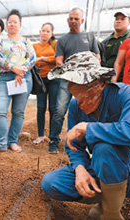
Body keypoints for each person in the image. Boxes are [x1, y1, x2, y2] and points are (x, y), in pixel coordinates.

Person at [41, 51, 130, 220]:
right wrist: (80, 169)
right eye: (72, 88)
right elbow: (74, 146)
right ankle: (107, 199)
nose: (78, 101)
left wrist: (89, 127)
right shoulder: (75, 106)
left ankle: (111, 214)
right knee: (52, 183)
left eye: (82, 89)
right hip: (103, 168)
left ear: (100, 82)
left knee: (104, 147)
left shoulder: (129, 95)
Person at [0, 9, 36, 153]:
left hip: (23, 78)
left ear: (20, 25)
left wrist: (21, 71)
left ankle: (12, 141)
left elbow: (32, 59)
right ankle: (0, 143)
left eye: (15, 22)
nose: (12, 24)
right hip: (5, 78)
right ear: (7, 24)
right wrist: (14, 69)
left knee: (18, 112)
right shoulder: (0, 39)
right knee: (0, 110)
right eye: (10, 22)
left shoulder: (26, 41)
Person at [50, 7, 100, 153]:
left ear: (82, 20)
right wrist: (70, 70)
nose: (73, 21)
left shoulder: (90, 37)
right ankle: (53, 140)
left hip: (86, 82)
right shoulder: (63, 40)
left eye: (76, 18)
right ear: (67, 20)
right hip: (67, 81)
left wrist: (86, 71)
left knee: (88, 109)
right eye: (71, 18)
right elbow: (58, 60)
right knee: (59, 110)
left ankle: (86, 141)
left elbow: (97, 57)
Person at [32, 23, 60, 145]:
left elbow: (57, 59)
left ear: (51, 34)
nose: (45, 33)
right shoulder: (34, 46)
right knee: (41, 107)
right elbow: (33, 62)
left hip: (54, 78)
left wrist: (43, 59)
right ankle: (40, 135)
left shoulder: (55, 45)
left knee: (53, 108)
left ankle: (52, 135)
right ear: (39, 31)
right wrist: (48, 60)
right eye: (43, 30)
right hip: (40, 80)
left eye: (48, 31)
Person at [100, 10, 130, 82]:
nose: (118, 21)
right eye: (117, 19)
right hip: (107, 79)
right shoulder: (106, 41)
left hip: (126, 79)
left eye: (122, 19)